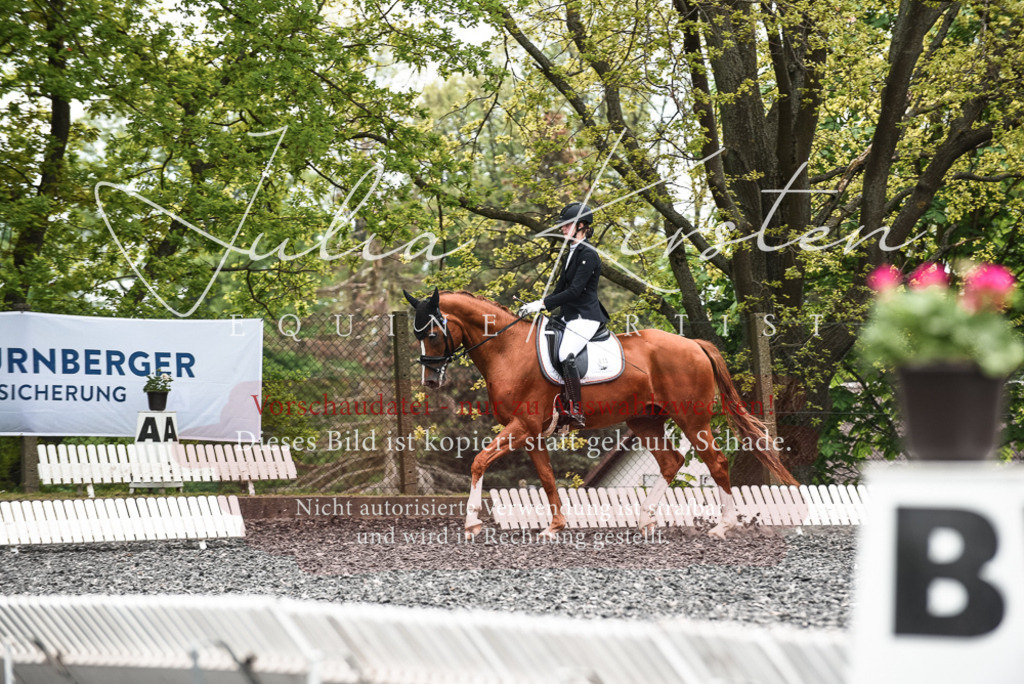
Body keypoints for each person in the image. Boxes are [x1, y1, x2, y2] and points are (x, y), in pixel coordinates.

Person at [520, 202, 609, 428]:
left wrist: (542, 304)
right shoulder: (571, 252)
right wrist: (538, 307)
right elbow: (560, 290)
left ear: (581, 226)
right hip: (569, 316)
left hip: (586, 316)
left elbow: (575, 291)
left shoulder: (588, 253)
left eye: (566, 224)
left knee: (565, 353)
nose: (562, 228)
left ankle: (576, 409)